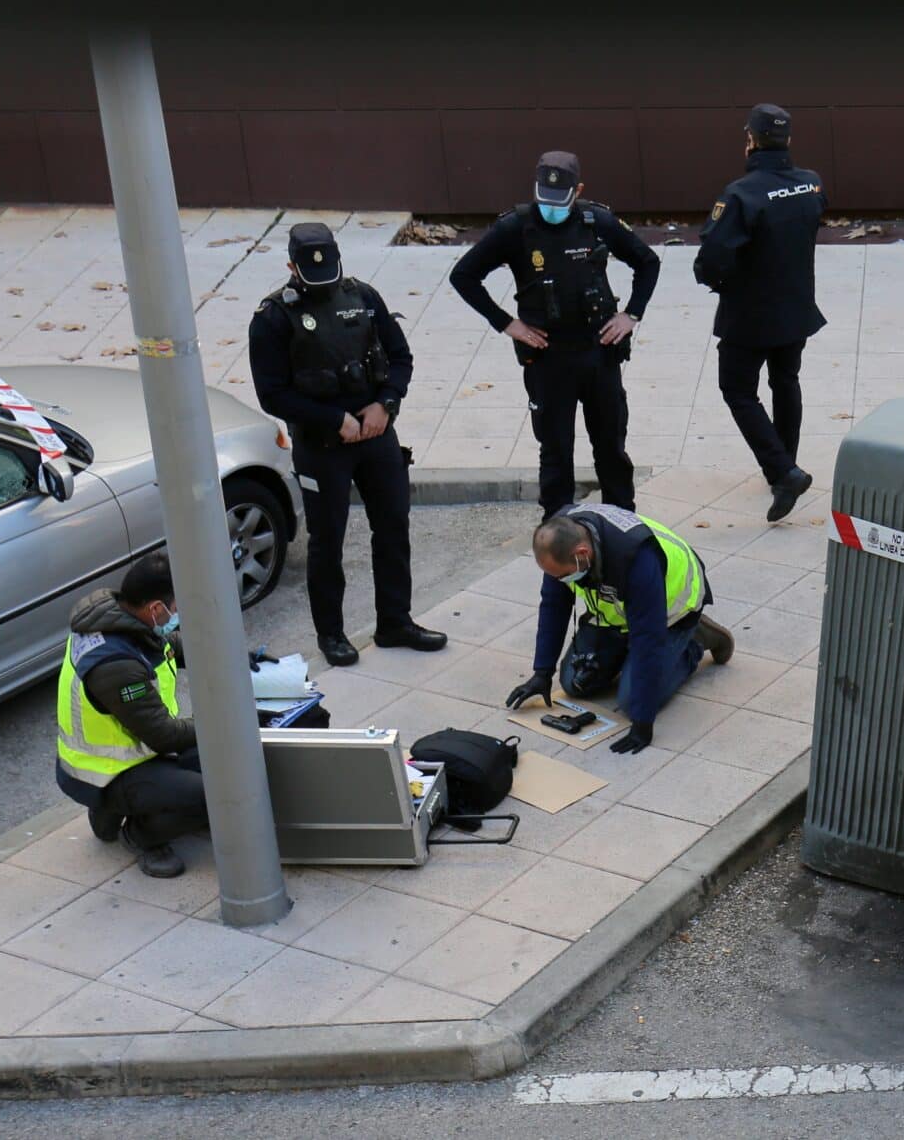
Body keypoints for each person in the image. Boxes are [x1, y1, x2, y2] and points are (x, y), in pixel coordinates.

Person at [250, 222, 447, 667]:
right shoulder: (273, 318)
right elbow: (272, 393)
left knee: (393, 527)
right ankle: (332, 634)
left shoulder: (363, 297)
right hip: (322, 444)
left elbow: (400, 358)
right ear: (291, 267)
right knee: (327, 542)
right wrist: (332, 418)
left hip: (375, 433)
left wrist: (386, 405)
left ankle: (395, 621)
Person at [450, 151, 661, 518]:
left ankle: (622, 521)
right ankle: (558, 532)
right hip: (548, 358)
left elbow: (648, 262)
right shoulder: (515, 228)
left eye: (559, 202)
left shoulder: (597, 221)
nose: (550, 209)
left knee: (611, 446)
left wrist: (632, 314)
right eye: (543, 200)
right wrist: (506, 323)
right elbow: (464, 276)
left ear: (577, 191)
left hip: (599, 352)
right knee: (555, 450)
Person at [504, 505, 734, 756]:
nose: (561, 582)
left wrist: (643, 723)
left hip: (670, 614)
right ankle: (626, 651)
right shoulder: (561, 542)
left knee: (630, 702)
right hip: (620, 614)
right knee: (573, 683)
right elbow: (553, 606)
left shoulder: (636, 558)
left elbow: (648, 638)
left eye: (565, 577)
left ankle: (695, 642)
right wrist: (542, 672)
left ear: (582, 554)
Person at [694, 103, 827, 522]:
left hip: (750, 316)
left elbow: (711, 259)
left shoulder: (740, 194)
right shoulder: (811, 184)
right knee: (785, 380)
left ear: (750, 140)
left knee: (737, 390)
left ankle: (784, 471)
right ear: (788, 140)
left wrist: (719, 282)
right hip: (796, 308)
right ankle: (786, 464)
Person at [54, 554, 203, 878]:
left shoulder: (121, 620)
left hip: (131, 756)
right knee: (214, 793)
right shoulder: (116, 665)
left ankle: (110, 812)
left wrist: (225, 653)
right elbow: (163, 735)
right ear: (155, 609)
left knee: (215, 760)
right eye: (174, 608)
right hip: (106, 773)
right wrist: (221, 726)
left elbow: (167, 646)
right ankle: (139, 834)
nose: (176, 615)